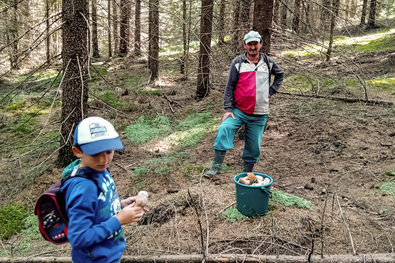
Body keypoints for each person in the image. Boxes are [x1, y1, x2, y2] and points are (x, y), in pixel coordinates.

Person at [60, 116, 147, 262]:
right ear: (77, 151)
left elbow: (96, 208)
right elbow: (79, 238)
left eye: (108, 152)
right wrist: (118, 220)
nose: (103, 160)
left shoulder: (99, 170)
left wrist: (120, 205)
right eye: (95, 154)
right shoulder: (84, 187)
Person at [204, 30, 284, 178]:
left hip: (259, 113)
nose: (253, 47)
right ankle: (215, 168)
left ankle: (247, 173)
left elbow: (280, 75)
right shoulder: (238, 62)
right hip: (238, 111)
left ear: (261, 44)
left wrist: (272, 90)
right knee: (224, 130)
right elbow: (230, 86)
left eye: (255, 44)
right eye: (249, 44)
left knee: (254, 147)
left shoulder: (268, 62)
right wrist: (228, 108)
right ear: (245, 46)